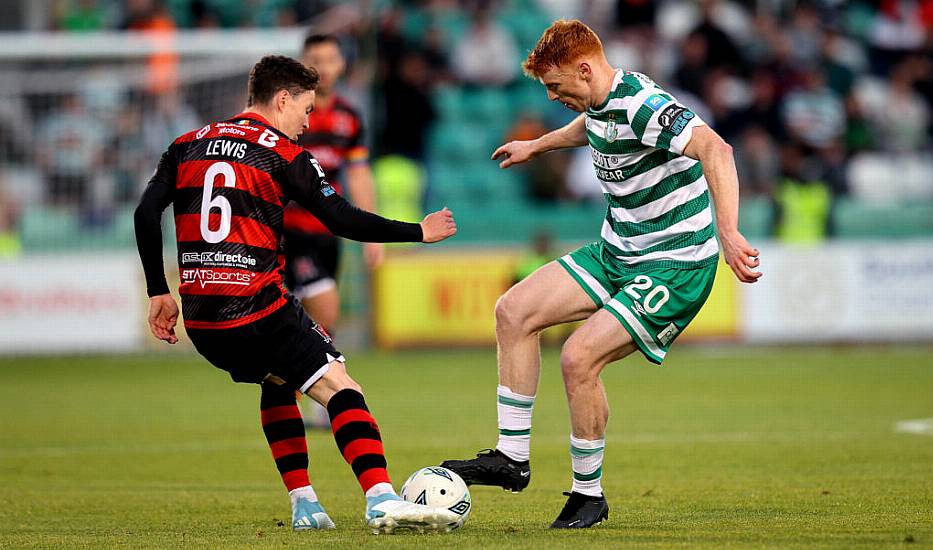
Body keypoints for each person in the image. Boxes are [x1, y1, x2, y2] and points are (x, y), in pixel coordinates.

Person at [441, 20, 761, 529]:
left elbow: (716, 150)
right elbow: (589, 126)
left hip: (674, 263)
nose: (552, 97)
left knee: (578, 356)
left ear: (585, 69)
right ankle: (511, 457)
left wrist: (729, 232)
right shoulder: (599, 103)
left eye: (555, 86)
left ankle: (588, 495)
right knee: (514, 311)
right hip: (619, 252)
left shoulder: (643, 104)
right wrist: (536, 146)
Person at [134, 55, 459, 534]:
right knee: (341, 387)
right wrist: (418, 231)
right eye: (305, 110)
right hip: (258, 307)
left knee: (278, 382)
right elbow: (340, 218)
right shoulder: (282, 153)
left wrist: (158, 291)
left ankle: (305, 504)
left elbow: (145, 213)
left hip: (204, 322)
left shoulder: (186, 143)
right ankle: (381, 498)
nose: (307, 124)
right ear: (282, 98)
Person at [282, 33, 380, 430]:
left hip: (328, 233)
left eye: (330, 58)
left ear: (342, 64)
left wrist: (372, 232)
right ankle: (325, 397)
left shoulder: (349, 118)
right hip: (287, 232)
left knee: (310, 320)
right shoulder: (288, 112)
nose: (323, 66)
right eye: (315, 59)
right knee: (325, 303)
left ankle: (301, 391)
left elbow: (357, 173)